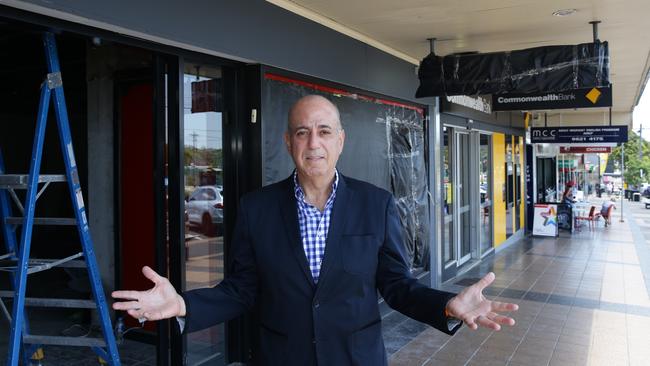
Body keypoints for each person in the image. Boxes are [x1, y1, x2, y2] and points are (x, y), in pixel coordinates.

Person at [112, 95, 518, 365]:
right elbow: (241, 289)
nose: (314, 143)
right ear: (288, 142)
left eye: (324, 131)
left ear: (340, 141)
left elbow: (397, 286)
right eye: (303, 132)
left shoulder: (375, 204)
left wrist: (447, 304)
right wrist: (184, 304)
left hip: (356, 358)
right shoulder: (257, 209)